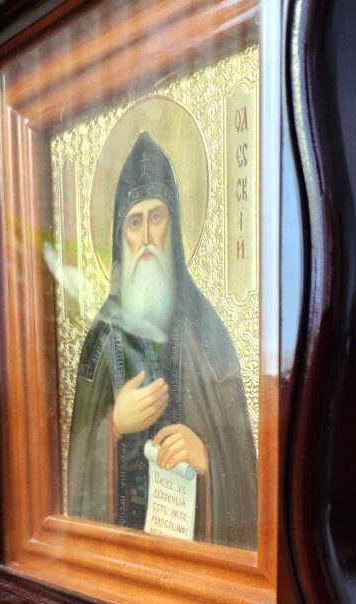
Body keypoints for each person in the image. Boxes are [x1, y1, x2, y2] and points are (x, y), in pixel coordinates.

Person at [67, 132, 257, 549]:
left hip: (191, 562)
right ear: (120, 238)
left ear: (175, 226)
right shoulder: (100, 342)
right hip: (121, 560)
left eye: (157, 217)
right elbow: (76, 477)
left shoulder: (207, 333)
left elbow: (243, 470)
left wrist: (207, 457)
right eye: (135, 222)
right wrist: (114, 426)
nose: (147, 238)